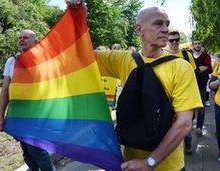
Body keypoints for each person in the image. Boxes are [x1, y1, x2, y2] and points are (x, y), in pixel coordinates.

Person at [66, 1, 203, 170]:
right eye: (158, 23)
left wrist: (149, 162)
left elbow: (184, 123)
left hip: (169, 166)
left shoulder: (181, 67)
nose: (166, 29)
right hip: (130, 163)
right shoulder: (123, 60)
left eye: (167, 24)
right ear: (139, 30)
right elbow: (81, 55)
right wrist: (78, 17)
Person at [0, 29, 55, 171]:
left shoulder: (45, 59)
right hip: (19, 115)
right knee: (27, 153)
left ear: (36, 41)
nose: (21, 39)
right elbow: (5, 91)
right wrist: (0, 117)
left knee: (36, 151)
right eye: (19, 38)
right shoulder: (12, 61)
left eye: (25, 37)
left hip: (39, 115)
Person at [165, 30, 198, 155]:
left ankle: (188, 141)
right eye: (171, 40)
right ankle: (170, 148)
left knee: (185, 122)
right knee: (170, 122)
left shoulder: (186, 54)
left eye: (176, 40)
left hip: (185, 95)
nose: (174, 42)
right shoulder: (162, 54)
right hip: (168, 95)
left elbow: (193, 74)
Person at [191, 40, 212, 136]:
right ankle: (189, 124)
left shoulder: (205, 56)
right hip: (190, 85)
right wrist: (200, 68)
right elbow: (188, 68)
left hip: (202, 85)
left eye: (199, 43)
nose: (197, 45)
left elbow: (209, 68)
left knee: (201, 107)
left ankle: (199, 127)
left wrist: (196, 69)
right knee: (190, 107)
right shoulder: (189, 55)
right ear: (192, 45)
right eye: (195, 43)